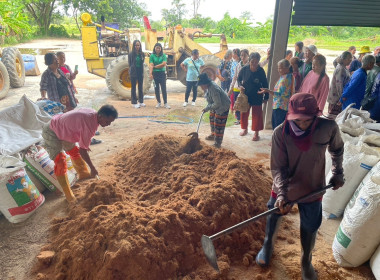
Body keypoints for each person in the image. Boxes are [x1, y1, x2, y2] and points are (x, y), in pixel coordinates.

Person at [255, 93, 344, 280]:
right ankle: (267, 245)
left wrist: (337, 172)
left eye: (308, 120)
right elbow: (278, 168)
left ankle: (306, 260)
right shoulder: (281, 133)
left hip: (312, 187)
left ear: (316, 116)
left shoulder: (328, 128)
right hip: (284, 187)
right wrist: (282, 195)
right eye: (298, 120)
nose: (302, 124)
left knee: (311, 225)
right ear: (290, 115)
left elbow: (337, 149)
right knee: (274, 214)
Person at [41, 105, 118, 202]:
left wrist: (85, 144)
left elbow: (82, 138)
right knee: (60, 161)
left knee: (74, 152)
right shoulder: (90, 123)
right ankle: (69, 195)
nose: (108, 124)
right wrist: (93, 168)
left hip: (66, 130)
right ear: (101, 116)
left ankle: (84, 175)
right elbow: (83, 151)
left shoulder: (93, 115)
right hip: (52, 130)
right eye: (107, 121)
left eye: (110, 122)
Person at [237, 52, 269, 141]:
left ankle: (256, 133)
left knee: (257, 115)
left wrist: (266, 97)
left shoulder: (261, 71)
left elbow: (265, 84)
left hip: (257, 96)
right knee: (244, 113)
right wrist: (240, 86)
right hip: (246, 96)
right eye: (252, 61)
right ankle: (245, 129)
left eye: (256, 62)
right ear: (249, 61)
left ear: (258, 61)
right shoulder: (244, 69)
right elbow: (239, 79)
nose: (254, 64)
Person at [258, 59, 295, 129]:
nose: (278, 70)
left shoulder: (286, 79)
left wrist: (267, 90)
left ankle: (277, 139)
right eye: (278, 68)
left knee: (278, 127)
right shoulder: (288, 76)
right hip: (281, 105)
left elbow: (279, 94)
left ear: (287, 68)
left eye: (280, 68)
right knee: (278, 126)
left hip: (281, 106)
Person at [198, 73, 231, 148]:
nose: (200, 87)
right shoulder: (208, 87)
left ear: (205, 83)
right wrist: (208, 107)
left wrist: (207, 108)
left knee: (218, 124)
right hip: (217, 104)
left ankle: (218, 143)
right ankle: (213, 134)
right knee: (212, 117)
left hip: (223, 106)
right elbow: (211, 101)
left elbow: (218, 104)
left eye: (201, 85)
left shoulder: (213, 88)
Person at [327, 51, 352, 118]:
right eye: (349, 59)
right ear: (344, 59)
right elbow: (339, 85)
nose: (350, 60)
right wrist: (342, 99)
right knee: (333, 119)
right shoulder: (341, 69)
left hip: (337, 98)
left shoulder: (343, 67)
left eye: (351, 59)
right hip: (336, 99)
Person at [229, 49, 249, 125]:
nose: (243, 57)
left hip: (246, 88)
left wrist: (267, 59)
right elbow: (235, 77)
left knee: (244, 104)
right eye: (241, 55)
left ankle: (243, 120)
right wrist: (231, 88)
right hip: (237, 87)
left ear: (248, 56)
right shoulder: (238, 65)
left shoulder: (249, 65)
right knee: (237, 103)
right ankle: (238, 119)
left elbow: (260, 64)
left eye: (244, 55)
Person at [149, 43, 170, 109]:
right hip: (155, 74)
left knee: (163, 88)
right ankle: (158, 102)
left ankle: (165, 103)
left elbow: (164, 63)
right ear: (154, 48)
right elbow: (151, 65)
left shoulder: (163, 55)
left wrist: (156, 66)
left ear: (161, 49)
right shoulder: (152, 56)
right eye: (156, 48)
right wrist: (150, 73)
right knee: (156, 88)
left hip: (162, 73)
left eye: (159, 48)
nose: (158, 49)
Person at [128, 40, 145, 108]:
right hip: (133, 72)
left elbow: (142, 62)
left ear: (140, 46)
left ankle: (141, 101)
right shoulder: (131, 54)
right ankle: (134, 102)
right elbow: (130, 63)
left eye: (138, 45)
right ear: (134, 46)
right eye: (136, 45)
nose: (137, 47)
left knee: (140, 87)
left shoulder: (142, 54)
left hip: (140, 71)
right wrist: (131, 71)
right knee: (133, 87)